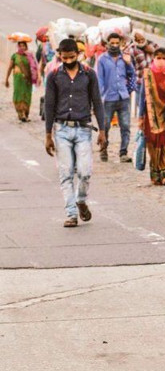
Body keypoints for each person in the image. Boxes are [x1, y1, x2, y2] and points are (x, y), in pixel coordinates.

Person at [44, 39, 106, 227]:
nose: (69, 60)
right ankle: (71, 213)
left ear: (77, 55)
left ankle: (81, 200)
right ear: (60, 56)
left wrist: (102, 130)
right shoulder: (54, 76)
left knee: (85, 172)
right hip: (61, 129)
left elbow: (97, 102)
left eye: (72, 57)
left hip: (84, 129)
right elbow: (49, 105)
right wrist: (48, 135)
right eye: (65, 57)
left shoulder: (89, 74)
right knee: (66, 173)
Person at [138, 47, 165, 186]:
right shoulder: (148, 74)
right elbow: (142, 97)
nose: (161, 61)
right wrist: (141, 116)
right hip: (151, 117)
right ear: (153, 59)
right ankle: (159, 175)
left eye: (164, 58)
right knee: (155, 145)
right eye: (158, 58)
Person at [96, 32, 135, 163]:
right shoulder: (102, 59)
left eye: (117, 43)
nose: (114, 45)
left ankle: (123, 152)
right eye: (112, 43)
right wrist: (99, 97)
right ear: (107, 44)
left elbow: (132, 74)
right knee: (105, 126)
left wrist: (129, 63)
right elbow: (99, 79)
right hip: (108, 98)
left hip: (123, 96)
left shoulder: (125, 58)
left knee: (125, 126)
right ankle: (103, 150)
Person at [5, 38, 40, 122]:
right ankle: (20, 114)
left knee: (27, 96)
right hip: (18, 79)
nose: (22, 47)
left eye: (23, 46)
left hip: (27, 80)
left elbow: (35, 67)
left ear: (26, 46)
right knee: (18, 95)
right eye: (20, 46)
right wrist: (6, 79)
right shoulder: (15, 56)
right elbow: (10, 68)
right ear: (18, 46)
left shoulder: (30, 56)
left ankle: (26, 114)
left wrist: (38, 77)